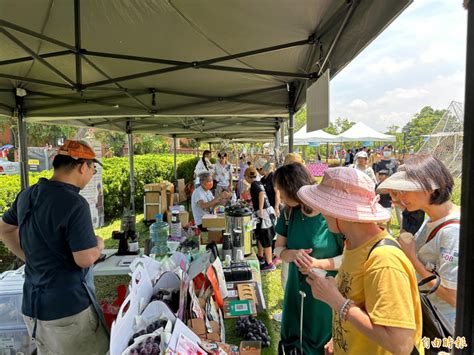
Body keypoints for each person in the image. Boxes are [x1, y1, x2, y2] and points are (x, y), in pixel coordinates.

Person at [0, 140, 109, 355]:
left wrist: (29, 258)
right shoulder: (74, 203)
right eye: (92, 169)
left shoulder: (28, 195)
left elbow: (4, 229)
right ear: (82, 166)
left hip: (32, 307)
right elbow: (84, 259)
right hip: (67, 309)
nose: (91, 173)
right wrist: (99, 245)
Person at [299, 167, 423, 354]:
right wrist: (338, 339)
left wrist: (336, 301)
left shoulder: (384, 260)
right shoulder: (353, 244)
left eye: (324, 208)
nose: (322, 214)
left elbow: (400, 344)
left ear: (339, 213)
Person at [377, 155, 459, 330]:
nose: (401, 196)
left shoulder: (452, 231)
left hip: (445, 327)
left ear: (431, 187)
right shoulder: (430, 219)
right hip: (429, 316)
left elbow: (453, 297)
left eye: (405, 190)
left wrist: (412, 258)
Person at [273, 163, 343, 354]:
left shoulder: (332, 215)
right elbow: (278, 249)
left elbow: (351, 258)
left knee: (320, 341)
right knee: (293, 335)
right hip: (296, 288)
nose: (279, 195)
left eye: (281, 190)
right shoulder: (289, 212)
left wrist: (317, 264)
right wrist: (293, 254)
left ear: (292, 188)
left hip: (326, 293)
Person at [245, 167, 275, 272]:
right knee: (260, 235)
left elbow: (261, 194)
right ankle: (261, 256)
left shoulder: (254, 184)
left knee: (265, 237)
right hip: (267, 211)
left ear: (247, 177)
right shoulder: (258, 183)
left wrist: (261, 209)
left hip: (264, 213)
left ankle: (269, 263)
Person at [376, 170, 393, 234]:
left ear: (387, 177)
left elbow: (392, 195)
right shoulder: (377, 185)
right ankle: (379, 230)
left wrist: (392, 203)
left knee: (388, 217)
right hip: (379, 204)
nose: (380, 176)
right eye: (380, 175)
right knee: (380, 219)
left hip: (388, 204)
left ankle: (388, 228)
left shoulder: (390, 185)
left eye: (383, 175)